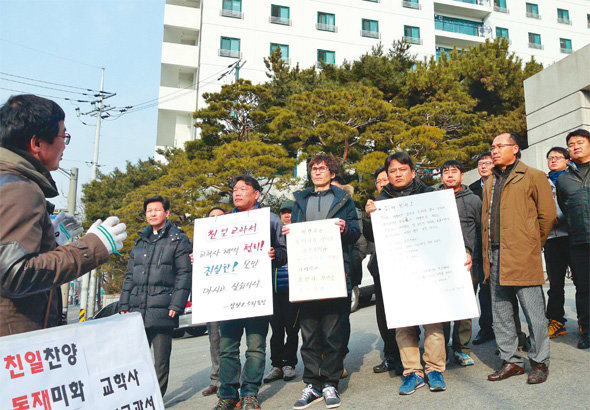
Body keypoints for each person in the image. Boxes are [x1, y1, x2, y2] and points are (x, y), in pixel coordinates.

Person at [0, 94, 126, 337]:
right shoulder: (20, 189)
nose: (65, 146)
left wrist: (49, 240)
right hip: (14, 343)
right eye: (63, 136)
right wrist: (91, 246)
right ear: (36, 143)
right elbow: (12, 274)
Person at [366, 152, 455, 395]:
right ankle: (412, 372)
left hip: (428, 267)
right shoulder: (380, 201)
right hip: (398, 271)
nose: (397, 174)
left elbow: (447, 228)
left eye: (402, 170)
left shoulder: (428, 195)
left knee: (432, 320)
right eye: (393, 171)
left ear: (413, 172)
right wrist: (370, 217)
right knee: (403, 323)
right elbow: (374, 238)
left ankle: (434, 368)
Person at [287, 154, 360, 409]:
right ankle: (312, 384)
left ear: (332, 172)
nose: (317, 172)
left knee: (332, 332)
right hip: (306, 275)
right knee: (308, 333)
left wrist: (344, 229)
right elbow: (293, 234)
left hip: (334, 273)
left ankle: (329, 382)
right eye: (314, 169)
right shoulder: (300, 200)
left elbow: (355, 232)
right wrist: (289, 234)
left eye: (322, 168)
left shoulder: (343, 199)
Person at [483, 133, 556, 385]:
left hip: (523, 253)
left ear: (515, 149)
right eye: (492, 147)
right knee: (500, 311)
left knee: (533, 311)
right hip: (494, 254)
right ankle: (511, 361)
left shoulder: (534, 176)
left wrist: (532, 244)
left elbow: (547, 216)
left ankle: (539, 361)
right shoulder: (490, 180)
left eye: (499, 146)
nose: (494, 151)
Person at [215, 175, 287, 410]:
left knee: (255, 347)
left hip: (257, 294)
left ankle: (249, 393)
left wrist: (275, 255)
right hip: (229, 296)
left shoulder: (270, 219)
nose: (237, 193)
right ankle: (227, 394)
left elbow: (285, 252)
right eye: (234, 189)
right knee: (227, 348)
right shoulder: (222, 223)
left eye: (243, 189)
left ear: (256, 194)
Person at [119, 196, 192, 397]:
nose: (152, 213)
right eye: (149, 210)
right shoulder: (140, 240)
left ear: (167, 213)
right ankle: (138, 398)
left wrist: (177, 304)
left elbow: (184, 274)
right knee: (136, 359)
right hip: (137, 309)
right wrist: (124, 303)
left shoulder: (178, 239)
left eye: (157, 210)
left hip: (163, 308)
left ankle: (155, 399)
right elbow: (129, 276)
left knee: (160, 361)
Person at [437, 160, 481, 367]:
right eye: (445, 172)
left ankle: (462, 349)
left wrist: (473, 254)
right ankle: (441, 350)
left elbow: (481, 231)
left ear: (462, 176)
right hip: (440, 262)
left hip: (467, 262)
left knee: (464, 307)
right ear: (441, 177)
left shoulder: (473, 200)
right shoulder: (432, 199)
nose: (449, 175)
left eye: (454, 171)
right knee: (443, 308)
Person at [362, 167, 404, 375]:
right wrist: (368, 217)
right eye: (379, 181)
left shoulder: (404, 201)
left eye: (385, 179)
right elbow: (369, 236)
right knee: (384, 315)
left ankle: (409, 355)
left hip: (405, 265)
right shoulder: (374, 207)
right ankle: (391, 355)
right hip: (381, 268)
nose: (382, 183)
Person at [556, 129, 590, 349]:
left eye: (580, 142)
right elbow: (564, 207)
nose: (575, 146)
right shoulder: (564, 179)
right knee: (584, 288)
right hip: (578, 241)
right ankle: (587, 331)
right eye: (571, 144)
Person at [264, 200, 300, 384]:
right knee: (276, 330)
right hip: (273, 290)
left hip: (293, 291)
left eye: (290, 212)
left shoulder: (302, 235)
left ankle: (289, 364)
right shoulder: (271, 235)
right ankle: (276, 365)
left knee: (292, 329)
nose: (287, 215)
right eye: (284, 212)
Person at [543, 147, 572, 340]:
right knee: (555, 283)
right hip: (551, 239)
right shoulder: (542, 181)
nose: (553, 160)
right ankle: (556, 321)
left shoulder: (572, 178)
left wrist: (559, 218)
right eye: (550, 158)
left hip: (571, 236)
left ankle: (584, 320)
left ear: (567, 160)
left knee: (582, 280)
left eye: (557, 157)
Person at [469, 153, 495, 345]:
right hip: (475, 246)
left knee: (494, 289)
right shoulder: (472, 190)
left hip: (494, 244)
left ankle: (503, 329)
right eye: (481, 163)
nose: (484, 166)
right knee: (479, 289)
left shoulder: (499, 185)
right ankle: (485, 328)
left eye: (488, 163)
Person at [203, 207, 227, 397]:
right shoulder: (202, 241)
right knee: (215, 341)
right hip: (212, 298)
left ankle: (232, 381)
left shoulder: (237, 236)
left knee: (232, 342)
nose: (216, 220)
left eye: (220, 217)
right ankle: (216, 380)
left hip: (236, 297)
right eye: (212, 217)